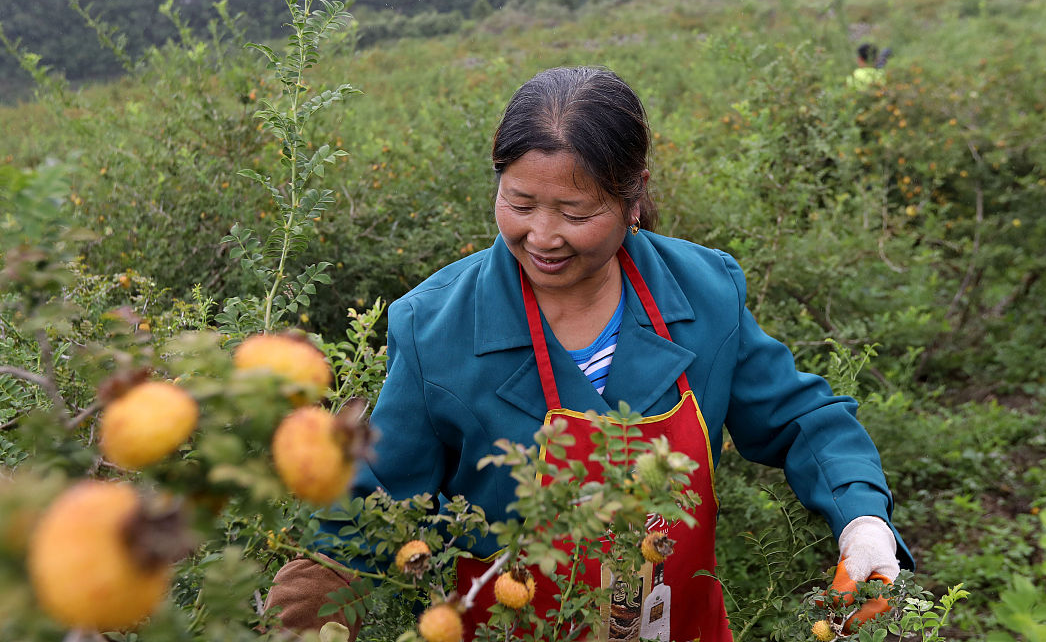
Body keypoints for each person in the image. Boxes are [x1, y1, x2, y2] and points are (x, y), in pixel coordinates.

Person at [266, 66, 913, 640]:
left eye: (575, 213)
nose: (541, 236)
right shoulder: (438, 329)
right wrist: (307, 613)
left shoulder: (703, 292)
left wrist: (861, 518)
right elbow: (370, 512)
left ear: (633, 200)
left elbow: (804, 419)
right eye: (519, 203)